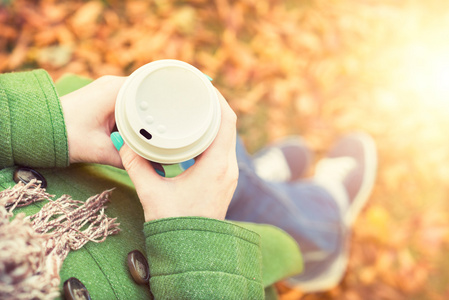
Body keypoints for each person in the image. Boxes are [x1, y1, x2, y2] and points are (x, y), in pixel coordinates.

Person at [0, 69, 377, 299]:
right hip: (172, 260)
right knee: (244, 219)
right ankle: (321, 226)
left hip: (62, 165)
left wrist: (35, 124)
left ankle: (251, 186)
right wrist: (198, 245)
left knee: (219, 167)